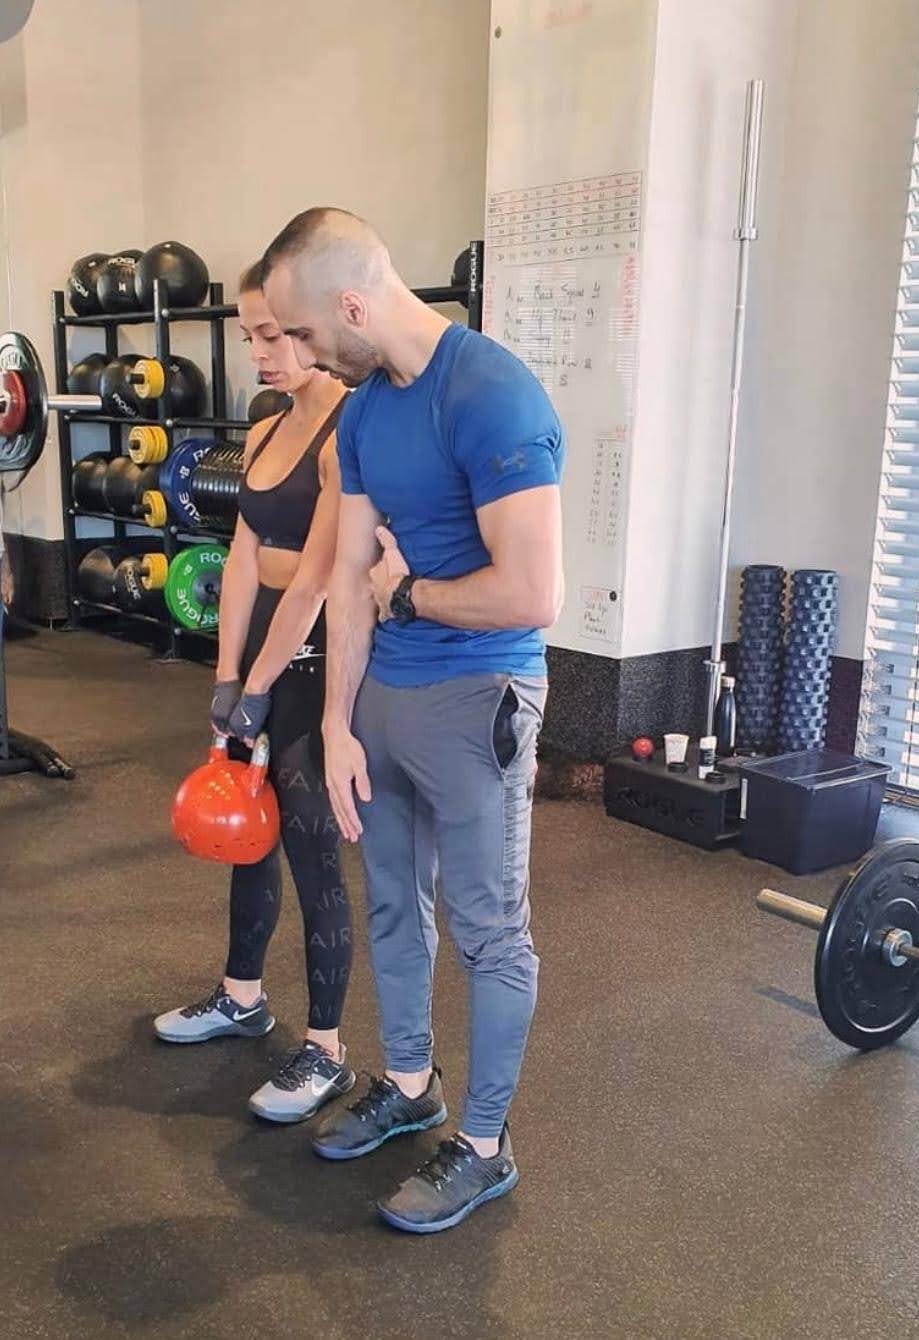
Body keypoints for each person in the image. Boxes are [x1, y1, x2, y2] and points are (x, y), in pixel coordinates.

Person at [260, 208, 565, 1232]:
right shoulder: (363, 414)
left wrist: (412, 594)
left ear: (352, 306)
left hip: (479, 695)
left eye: (306, 334)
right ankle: (408, 1083)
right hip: (384, 697)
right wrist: (336, 723)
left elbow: (533, 593)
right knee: (393, 899)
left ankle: (482, 1144)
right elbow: (349, 574)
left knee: (488, 930)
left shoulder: (491, 394)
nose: (302, 356)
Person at [154, 259, 357, 1125]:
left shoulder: (348, 429)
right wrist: (227, 676)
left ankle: (327, 1049)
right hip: (262, 652)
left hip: (314, 656)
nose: (260, 354)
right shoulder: (268, 423)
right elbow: (240, 557)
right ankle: (243, 996)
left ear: (311, 325)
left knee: (311, 847)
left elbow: (315, 578)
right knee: (247, 832)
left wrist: (265, 685)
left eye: (271, 335)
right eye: (249, 337)